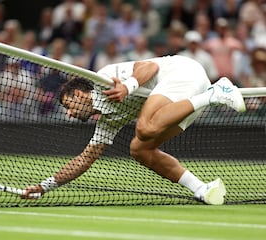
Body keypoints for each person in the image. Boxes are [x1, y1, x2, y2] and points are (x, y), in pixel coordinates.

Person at [21, 55, 246, 205]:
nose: (69, 114)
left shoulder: (103, 79)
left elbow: (149, 67)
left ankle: (215, 93)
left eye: (68, 106)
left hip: (184, 73)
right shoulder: (107, 121)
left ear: (79, 95)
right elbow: (84, 160)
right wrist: (44, 187)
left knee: (145, 128)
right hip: (184, 99)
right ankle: (201, 188)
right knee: (140, 148)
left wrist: (128, 87)